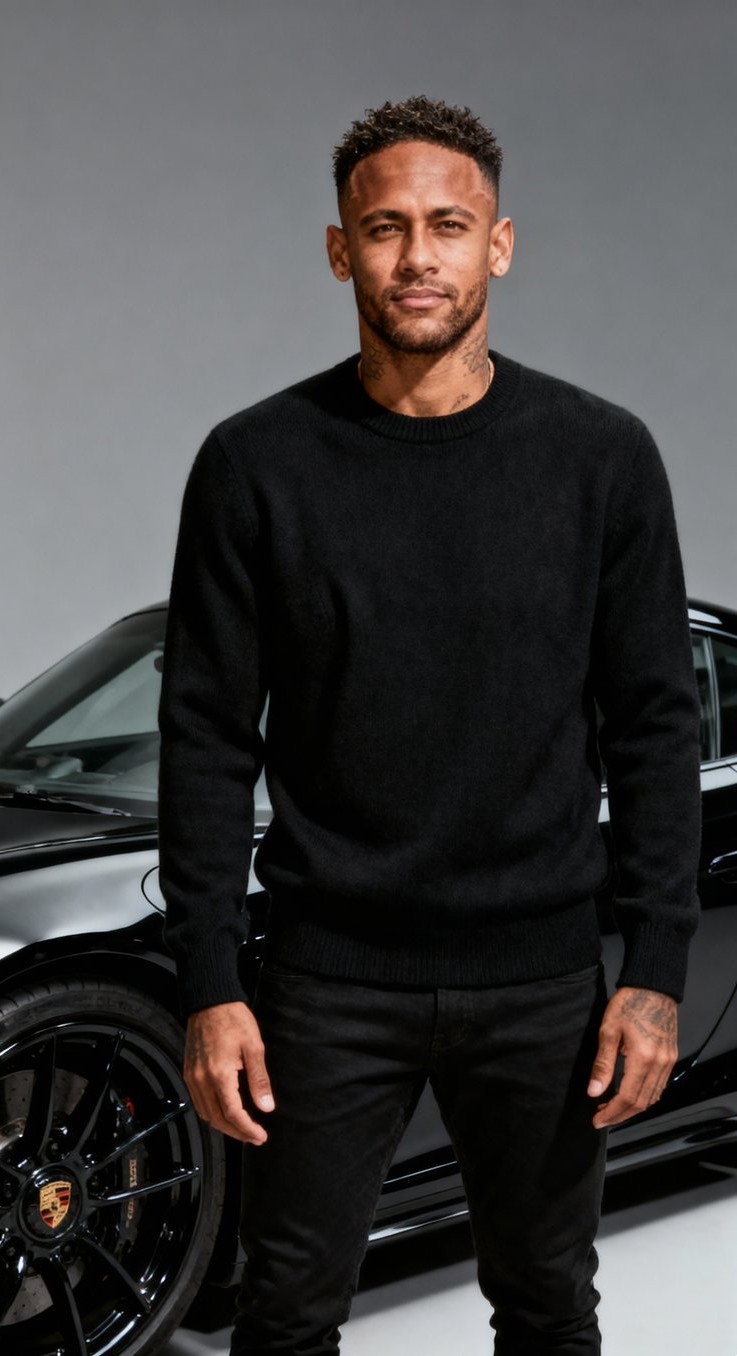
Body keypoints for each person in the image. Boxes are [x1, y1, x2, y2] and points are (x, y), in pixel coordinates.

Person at [157, 96, 701, 1355]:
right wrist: (210, 985)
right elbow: (204, 738)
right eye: (385, 228)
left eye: (447, 226)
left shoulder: (602, 459)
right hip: (324, 983)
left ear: (498, 245)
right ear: (339, 251)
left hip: (543, 981)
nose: (418, 258)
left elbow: (656, 728)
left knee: (549, 1307)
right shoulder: (256, 465)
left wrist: (657, 972)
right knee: (285, 1314)